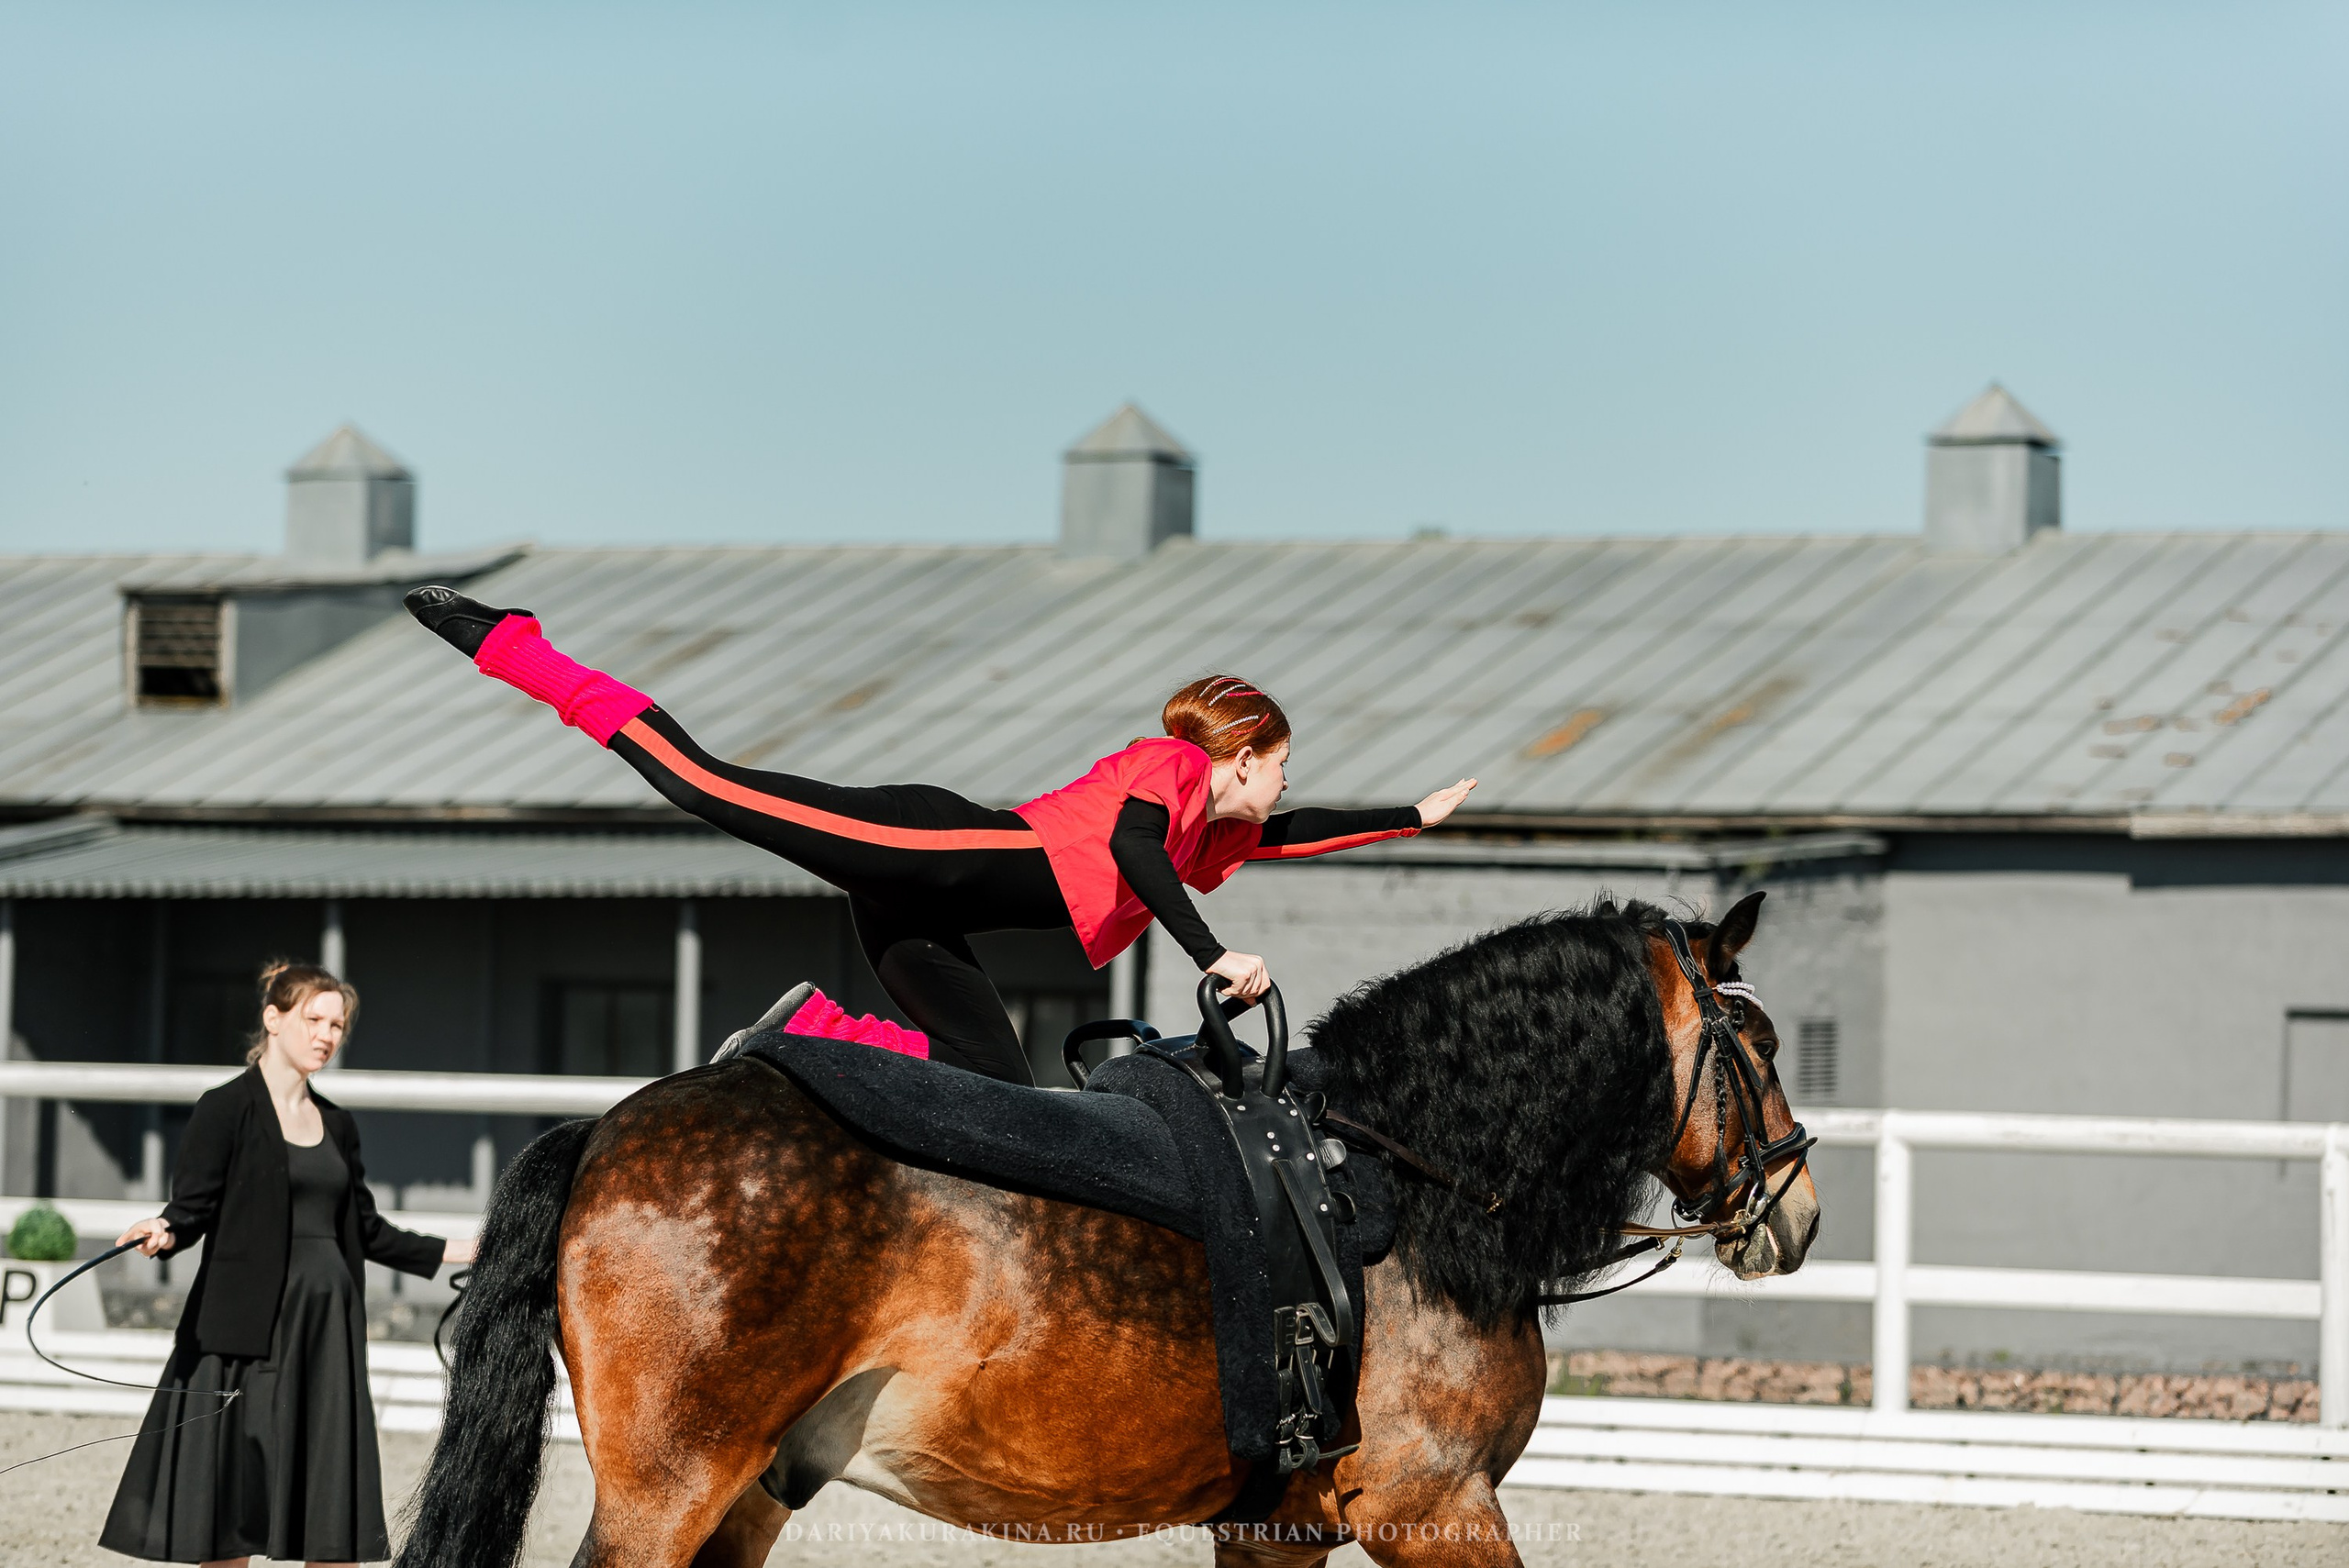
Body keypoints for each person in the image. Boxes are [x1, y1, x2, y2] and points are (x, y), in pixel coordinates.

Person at [405, 585, 1478, 1085]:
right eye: (1280, 762)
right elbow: (1138, 855)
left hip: (923, 917)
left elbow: (1294, 833)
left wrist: (1411, 817)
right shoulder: (1174, 768)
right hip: (923, 847)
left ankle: (803, 1035)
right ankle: (512, 643)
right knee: (701, 782)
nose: (1286, 781)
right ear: (1239, 755)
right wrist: (1212, 954)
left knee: (992, 1078)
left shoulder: (1220, 834)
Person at [102, 962, 474, 1568]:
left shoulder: (338, 1122)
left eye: (338, 1024)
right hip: (245, 1331)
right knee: (230, 1515)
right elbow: (189, 1209)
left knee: (330, 1511)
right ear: (273, 1019)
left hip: (325, 1332)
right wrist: (162, 1229)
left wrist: (462, 1249)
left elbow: (367, 1229)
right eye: (314, 1019)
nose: (327, 1034)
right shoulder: (224, 1108)